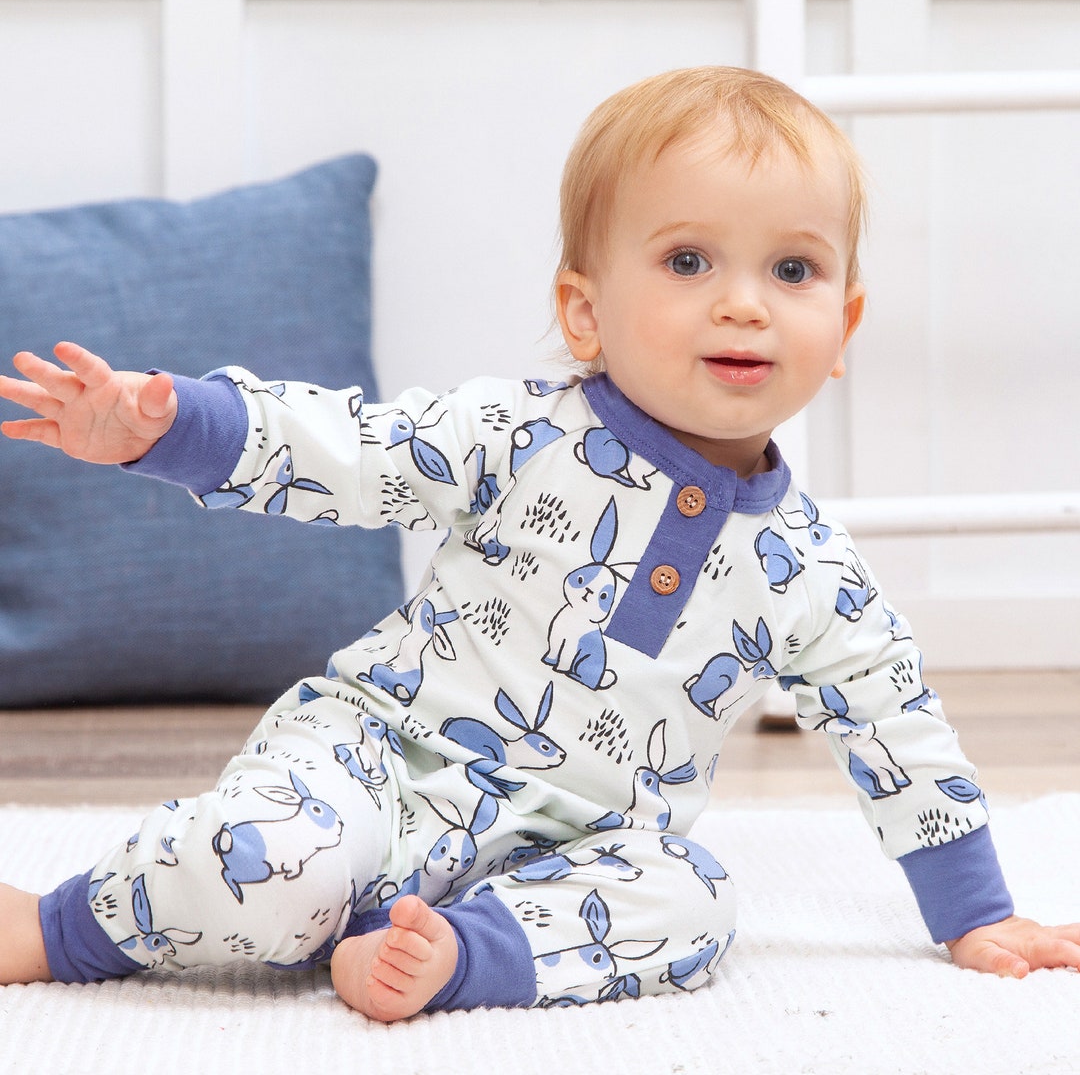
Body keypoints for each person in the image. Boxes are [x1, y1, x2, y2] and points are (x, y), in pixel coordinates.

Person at [2, 66, 1078, 1022]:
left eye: (792, 272)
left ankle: (452, 959)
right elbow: (355, 450)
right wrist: (176, 426)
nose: (745, 305)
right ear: (585, 312)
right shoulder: (517, 435)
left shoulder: (814, 576)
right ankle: (61, 929)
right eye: (690, 260)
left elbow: (897, 730)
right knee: (274, 859)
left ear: (842, 330)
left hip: (565, 854)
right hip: (379, 765)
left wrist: (976, 917)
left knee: (698, 901)